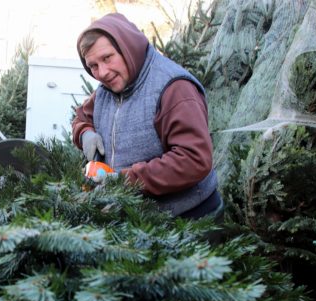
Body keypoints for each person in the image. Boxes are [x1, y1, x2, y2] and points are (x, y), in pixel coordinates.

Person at [72, 13, 223, 220]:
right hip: (138, 220)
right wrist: (84, 132)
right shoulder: (104, 92)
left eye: (107, 58)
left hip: (187, 220)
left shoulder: (174, 88)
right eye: (93, 66)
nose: (103, 72)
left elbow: (193, 159)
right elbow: (81, 117)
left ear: (127, 48)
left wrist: (123, 180)